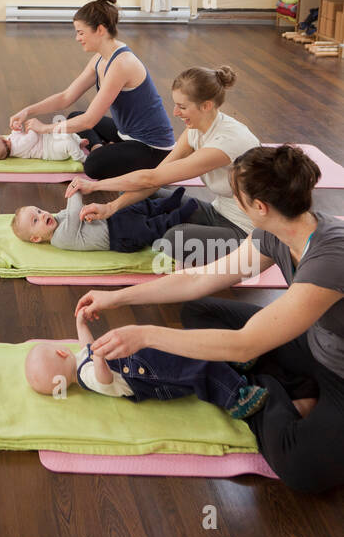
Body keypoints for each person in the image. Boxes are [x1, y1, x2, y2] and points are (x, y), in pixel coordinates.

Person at [75, 146, 344, 493]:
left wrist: (146, 335)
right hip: (310, 341)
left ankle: (265, 389)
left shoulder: (331, 256)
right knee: (199, 310)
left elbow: (244, 343)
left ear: (259, 207)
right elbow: (199, 278)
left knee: (300, 468)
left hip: (340, 374)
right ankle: (277, 382)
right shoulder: (272, 233)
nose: (233, 199)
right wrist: (117, 296)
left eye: (237, 196)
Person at [65, 65, 259, 267]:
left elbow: (151, 178)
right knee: (130, 197)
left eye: (182, 107)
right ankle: (139, 227)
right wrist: (110, 207)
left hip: (244, 232)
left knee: (173, 240)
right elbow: (157, 176)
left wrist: (95, 186)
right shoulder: (196, 129)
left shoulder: (225, 143)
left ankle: (144, 231)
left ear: (206, 106)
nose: (175, 112)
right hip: (216, 212)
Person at [9, 0, 174, 180]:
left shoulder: (122, 64)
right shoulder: (100, 59)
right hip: (126, 134)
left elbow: (89, 121)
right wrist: (28, 111)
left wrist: (44, 128)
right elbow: (66, 97)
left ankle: (104, 151)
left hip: (153, 147)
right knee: (74, 116)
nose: (77, 38)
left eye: (81, 32)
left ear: (100, 30)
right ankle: (99, 146)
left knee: (93, 165)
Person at [24, 302, 268, 420]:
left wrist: (81, 324)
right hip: (145, 375)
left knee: (187, 348)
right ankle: (236, 396)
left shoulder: (80, 361)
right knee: (192, 369)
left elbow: (86, 347)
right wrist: (100, 359)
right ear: (60, 352)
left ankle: (231, 357)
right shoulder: (86, 375)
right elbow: (105, 381)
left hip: (141, 361)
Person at [12, 188, 199, 253]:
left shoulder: (57, 219)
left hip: (110, 220)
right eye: (35, 221)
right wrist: (74, 188)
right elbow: (75, 210)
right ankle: (178, 216)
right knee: (149, 228)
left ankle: (166, 203)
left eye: (38, 210)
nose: (42, 214)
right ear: (36, 238)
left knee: (138, 207)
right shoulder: (60, 239)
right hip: (119, 236)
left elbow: (76, 213)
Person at [0, 121, 85, 163]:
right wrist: (32, 128)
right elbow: (33, 138)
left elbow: (17, 133)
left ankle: (78, 141)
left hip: (47, 139)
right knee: (67, 143)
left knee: (63, 129)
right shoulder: (17, 148)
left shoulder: (10, 141)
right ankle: (81, 157)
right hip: (50, 150)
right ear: (3, 140)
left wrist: (17, 127)